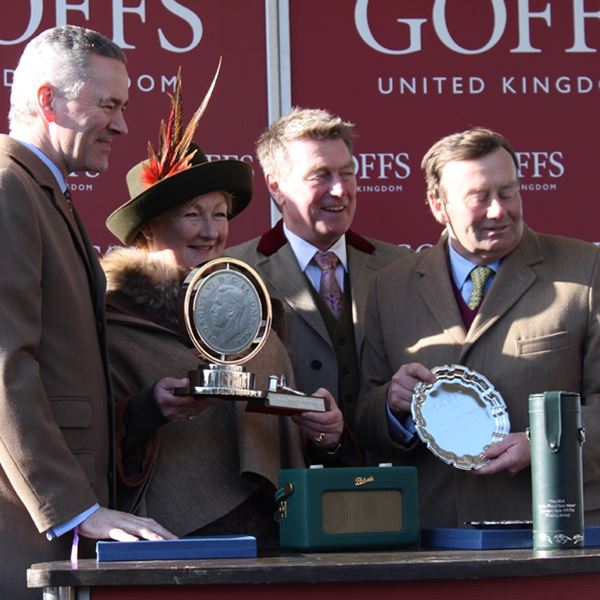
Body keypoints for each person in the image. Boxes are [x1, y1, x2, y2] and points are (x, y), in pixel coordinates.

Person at [102, 79, 345, 548]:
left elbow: (282, 412)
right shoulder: (114, 318)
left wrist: (325, 431)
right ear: (150, 227)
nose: (211, 231)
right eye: (193, 214)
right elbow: (88, 436)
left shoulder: (261, 306)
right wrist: (150, 408)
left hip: (275, 530)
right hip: (171, 537)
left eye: (220, 214)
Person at [0, 25, 173, 600]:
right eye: (108, 105)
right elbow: (4, 366)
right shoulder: (7, 189)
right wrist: (73, 509)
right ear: (48, 100)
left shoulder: (45, 193)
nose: (123, 125)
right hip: (26, 530)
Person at [355, 127, 600, 528]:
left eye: (508, 192)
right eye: (478, 198)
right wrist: (392, 405)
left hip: (552, 528)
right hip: (433, 535)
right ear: (438, 205)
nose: (498, 210)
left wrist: (545, 446)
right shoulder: (390, 286)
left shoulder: (585, 271)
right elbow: (365, 419)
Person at [226, 107, 408, 439]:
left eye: (347, 173)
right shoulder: (234, 276)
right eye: (320, 175)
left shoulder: (399, 268)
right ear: (276, 186)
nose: (339, 190)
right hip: (283, 479)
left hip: (387, 482)